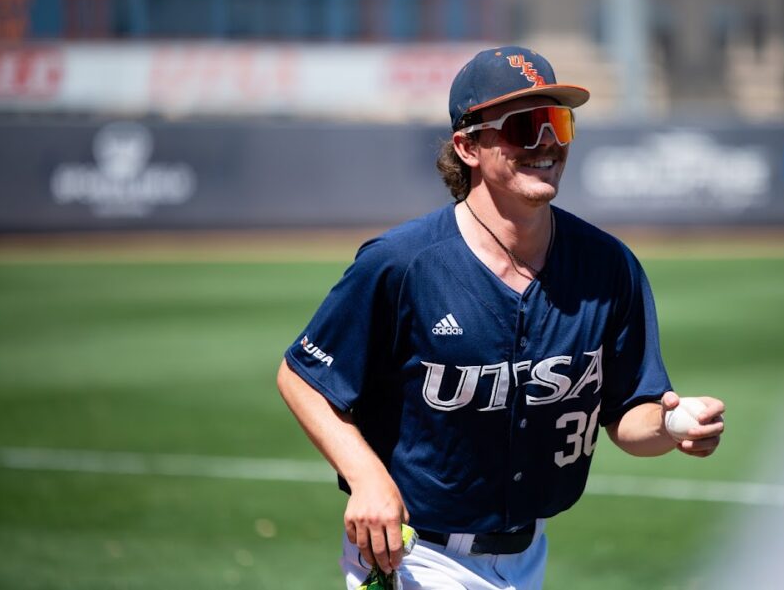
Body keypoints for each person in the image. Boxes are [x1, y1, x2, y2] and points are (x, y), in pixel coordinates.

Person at [276, 46, 726, 589]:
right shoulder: (402, 263)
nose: (547, 144)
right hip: (415, 555)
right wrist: (367, 476)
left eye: (559, 123)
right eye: (524, 127)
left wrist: (674, 425)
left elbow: (628, 418)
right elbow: (304, 377)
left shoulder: (609, 266)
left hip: (527, 555)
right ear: (468, 146)